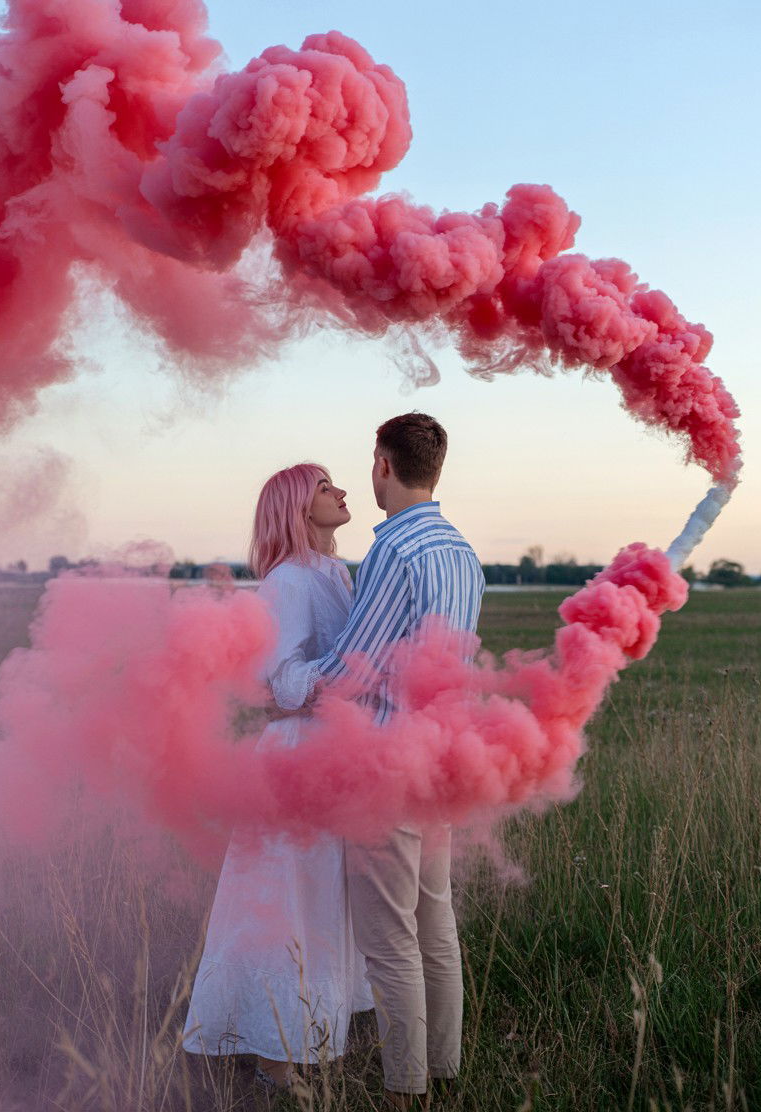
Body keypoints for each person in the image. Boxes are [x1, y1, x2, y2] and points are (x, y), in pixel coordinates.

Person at [273, 413, 486, 1108]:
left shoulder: (394, 551)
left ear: (383, 466)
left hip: (387, 767)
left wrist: (289, 688)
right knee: (436, 925)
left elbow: (353, 666)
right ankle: (445, 1072)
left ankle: (405, 1090)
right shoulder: (461, 551)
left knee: (391, 941)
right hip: (442, 760)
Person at [182, 464, 374, 1092]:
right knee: (283, 898)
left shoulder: (334, 573)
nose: (342, 491)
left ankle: (313, 1027)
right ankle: (272, 1052)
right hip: (296, 753)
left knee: (324, 897)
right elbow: (281, 683)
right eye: (325, 486)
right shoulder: (287, 582)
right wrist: (352, 666)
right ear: (296, 505)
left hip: (332, 748)